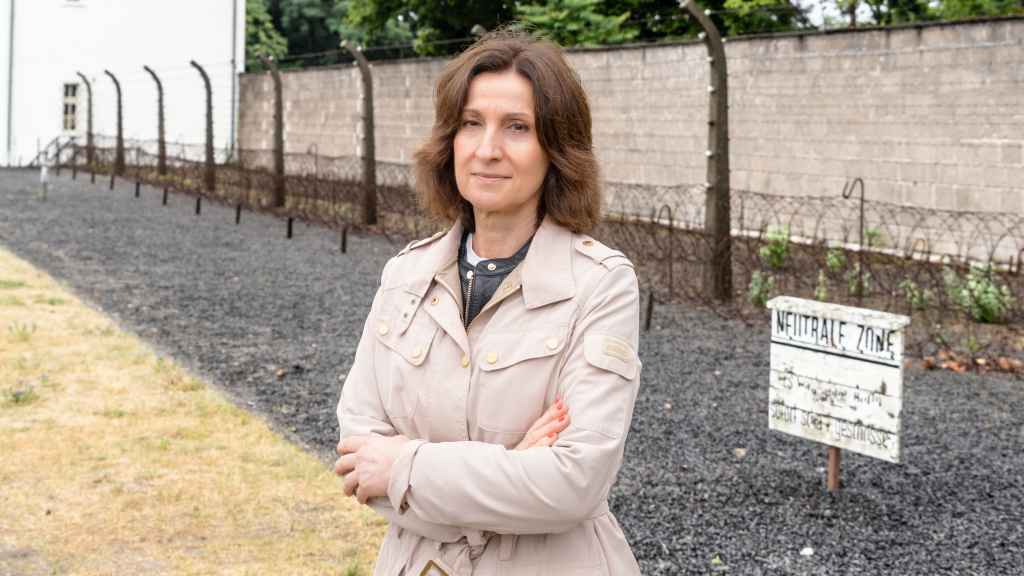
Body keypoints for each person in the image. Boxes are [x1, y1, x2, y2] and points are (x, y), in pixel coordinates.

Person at [334, 28, 642, 576]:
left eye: (518, 128)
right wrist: (515, 469)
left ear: (557, 148)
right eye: (471, 123)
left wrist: (406, 468)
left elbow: (574, 484)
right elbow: (360, 462)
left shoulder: (601, 284)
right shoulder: (405, 274)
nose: (487, 149)